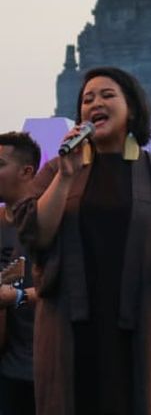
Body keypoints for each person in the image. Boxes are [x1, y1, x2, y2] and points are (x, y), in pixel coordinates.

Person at [12, 66, 151, 415]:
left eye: (107, 95)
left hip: (146, 330)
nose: (95, 103)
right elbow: (35, 233)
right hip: (72, 330)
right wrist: (65, 176)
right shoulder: (56, 172)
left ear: (132, 110)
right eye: (87, 99)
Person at [0, 132, 41, 415]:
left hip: (40, 371)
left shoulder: (49, 222)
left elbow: (63, 290)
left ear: (27, 171)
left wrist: (16, 298)